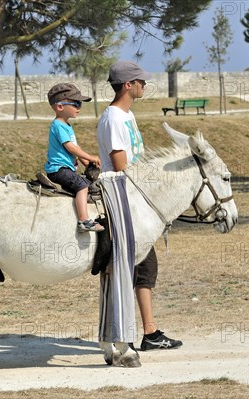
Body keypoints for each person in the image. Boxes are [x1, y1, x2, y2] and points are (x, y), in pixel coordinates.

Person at [97, 61, 183, 351]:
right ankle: (130, 335)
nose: (144, 85)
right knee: (136, 269)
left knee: (146, 268)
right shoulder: (113, 119)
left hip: (137, 201)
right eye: (140, 81)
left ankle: (149, 332)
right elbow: (122, 165)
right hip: (123, 200)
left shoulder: (127, 115)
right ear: (127, 85)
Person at [44, 83, 104, 232]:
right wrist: (90, 156)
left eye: (80, 103)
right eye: (76, 103)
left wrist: (86, 162)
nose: (79, 107)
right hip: (59, 169)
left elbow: (74, 150)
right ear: (60, 107)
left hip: (66, 167)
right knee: (82, 186)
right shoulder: (58, 125)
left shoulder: (67, 126)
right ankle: (84, 221)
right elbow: (70, 147)